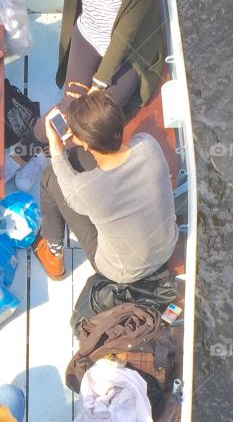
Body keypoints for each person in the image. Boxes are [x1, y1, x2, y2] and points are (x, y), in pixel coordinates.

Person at [15, 0, 164, 180]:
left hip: (127, 57)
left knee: (88, 122)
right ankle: (29, 154)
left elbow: (123, 37)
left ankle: (52, 159)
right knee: (64, 109)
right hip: (88, 35)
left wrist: (98, 85)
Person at [32, 91, 177, 282]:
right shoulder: (148, 144)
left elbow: (64, 179)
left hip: (122, 271)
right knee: (77, 159)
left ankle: (54, 255)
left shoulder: (85, 191)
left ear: (84, 142)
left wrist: (56, 149)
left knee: (50, 177)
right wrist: (92, 114)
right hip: (166, 248)